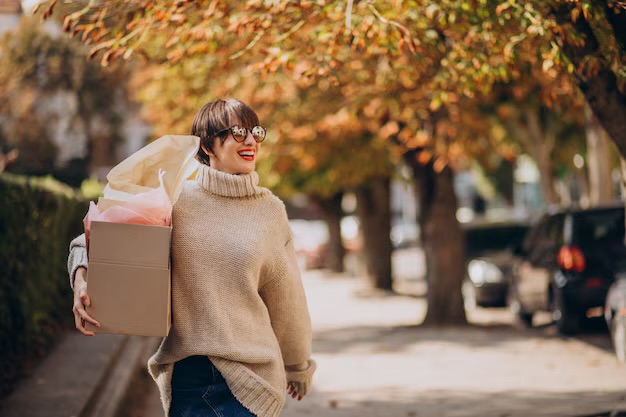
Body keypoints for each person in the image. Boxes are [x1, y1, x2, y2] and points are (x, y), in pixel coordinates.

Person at [67, 98, 316, 417]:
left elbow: (287, 298)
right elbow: (90, 241)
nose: (251, 140)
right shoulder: (174, 201)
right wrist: (81, 279)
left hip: (252, 381)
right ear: (209, 143)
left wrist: (298, 365)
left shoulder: (270, 212)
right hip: (191, 377)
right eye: (239, 131)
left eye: (255, 131)